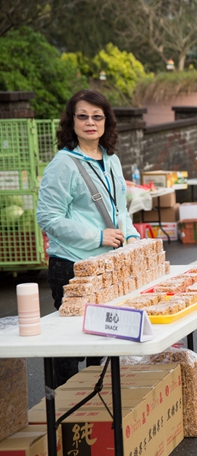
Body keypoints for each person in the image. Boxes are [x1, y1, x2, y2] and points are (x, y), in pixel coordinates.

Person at [37, 89, 141, 386]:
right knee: (70, 348)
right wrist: (97, 235)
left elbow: (120, 209)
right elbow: (48, 217)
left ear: (107, 121)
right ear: (71, 121)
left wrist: (131, 237)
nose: (90, 122)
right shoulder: (63, 163)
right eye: (82, 116)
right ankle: (65, 415)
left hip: (106, 266)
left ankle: (97, 407)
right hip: (72, 267)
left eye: (97, 116)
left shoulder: (111, 159)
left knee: (104, 342)